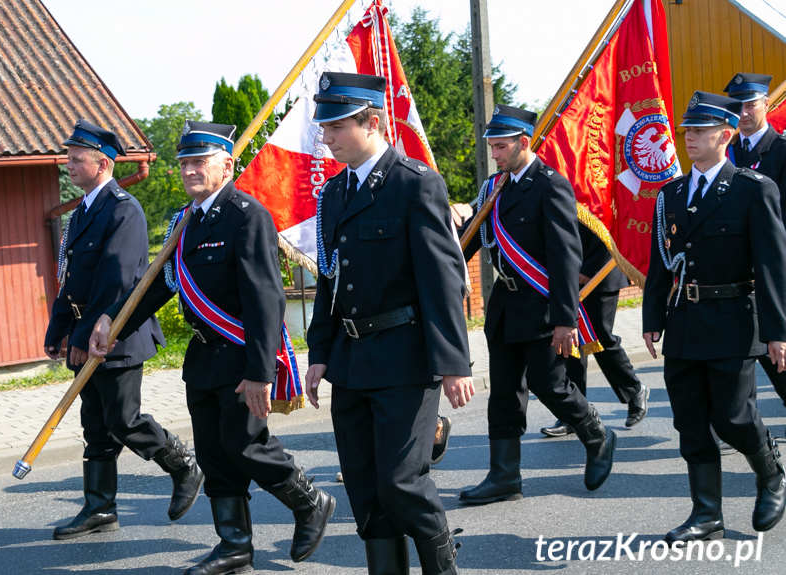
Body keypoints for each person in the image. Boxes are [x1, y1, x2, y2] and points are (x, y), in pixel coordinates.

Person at [89, 121, 334, 575]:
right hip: (202, 357)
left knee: (246, 445)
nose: (189, 171)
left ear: (228, 163)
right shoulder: (185, 221)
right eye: (183, 163)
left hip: (242, 354)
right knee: (215, 454)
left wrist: (261, 372)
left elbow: (266, 300)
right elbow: (158, 286)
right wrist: (114, 320)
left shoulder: (247, 216)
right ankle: (235, 547)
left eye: (199, 161)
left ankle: (311, 501)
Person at [304, 72, 475, 575]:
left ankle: (442, 564)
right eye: (324, 125)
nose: (326, 136)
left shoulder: (416, 183)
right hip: (352, 363)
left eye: (336, 125)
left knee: (401, 482)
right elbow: (330, 282)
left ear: (372, 121)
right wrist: (319, 353)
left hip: (406, 357)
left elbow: (442, 281)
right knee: (364, 485)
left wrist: (453, 363)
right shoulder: (333, 194)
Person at [44, 120, 203, 540]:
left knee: (123, 418)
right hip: (84, 334)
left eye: (76, 159)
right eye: (69, 157)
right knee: (95, 425)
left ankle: (184, 464)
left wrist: (82, 339)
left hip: (116, 336)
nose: (68, 165)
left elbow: (114, 283)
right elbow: (71, 275)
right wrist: (58, 329)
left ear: (102, 164)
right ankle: (100, 508)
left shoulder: (123, 209)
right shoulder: (83, 210)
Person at [643, 91, 786, 543]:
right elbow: (659, 263)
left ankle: (772, 474)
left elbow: (771, 266)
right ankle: (706, 513)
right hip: (685, 320)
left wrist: (778, 332)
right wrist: (652, 318)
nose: (691, 138)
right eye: (688, 130)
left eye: (701, 131)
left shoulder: (752, 189)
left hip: (734, 320)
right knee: (689, 419)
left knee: (732, 416)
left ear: (725, 135)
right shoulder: (671, 193)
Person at [458, 105, 616, 506]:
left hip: (543, 308)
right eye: (491, 145)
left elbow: (566, 258)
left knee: (551, 385)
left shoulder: (550, 186)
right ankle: (504, 476)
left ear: (523, 143)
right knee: (505, 393)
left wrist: (566, 319)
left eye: (500, 146)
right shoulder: (497, 187)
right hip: (506, 307)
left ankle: (597, 434)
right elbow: (468, 240)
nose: (493, 153)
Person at [540, 225, 648, 437]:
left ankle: (635, 389)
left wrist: (589, 269)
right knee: (572, 342)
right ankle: (573, 413)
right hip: (568, 273)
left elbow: (609, 226)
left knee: (600, 338)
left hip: (600, 274)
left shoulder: (596, 189)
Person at [725, 73, 786, 431]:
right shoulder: (725, 151)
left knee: (775, 350)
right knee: (742, 354)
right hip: (733, 272)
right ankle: (743, 426)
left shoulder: (781, 151)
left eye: (750, 103)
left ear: (767, 104)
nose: (744, 112)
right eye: (737, 105)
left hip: (774, 267)